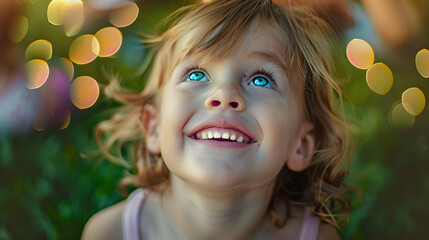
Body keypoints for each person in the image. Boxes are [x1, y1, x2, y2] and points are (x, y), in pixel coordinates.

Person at [81, 0, 353, 239]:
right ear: (153, 127)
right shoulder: (109, 233)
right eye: (196, 75)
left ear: (301, 145)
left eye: (261, 79)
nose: (224, 94)